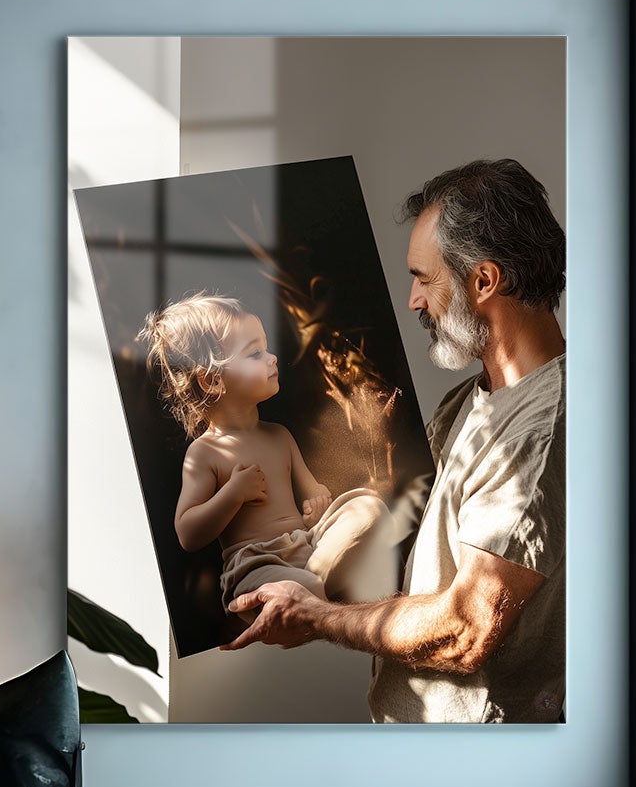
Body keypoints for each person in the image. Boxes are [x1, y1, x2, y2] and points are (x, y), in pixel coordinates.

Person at [223, 158, 567, 724]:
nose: (413, 301)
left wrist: (316, 619)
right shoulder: (465, 402)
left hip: (473, 778)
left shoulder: (540, 430)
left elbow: (465, 629)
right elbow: (411, 568)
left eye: (425, 278)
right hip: (416, 751)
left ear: (484, 281)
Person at [137, 292, 399, 621]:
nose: (272, 358)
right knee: (299, 587)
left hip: (306, 547)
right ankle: (312, 595)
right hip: (255, 568)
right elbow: (187, 533)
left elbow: (314, 491)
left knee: (369, 507)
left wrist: (317, 501)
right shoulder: (206, 452)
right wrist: (232, 493)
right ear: (211, 379)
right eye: (255, 353)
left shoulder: (279, 435)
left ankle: (314, 592)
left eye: (266, 347)